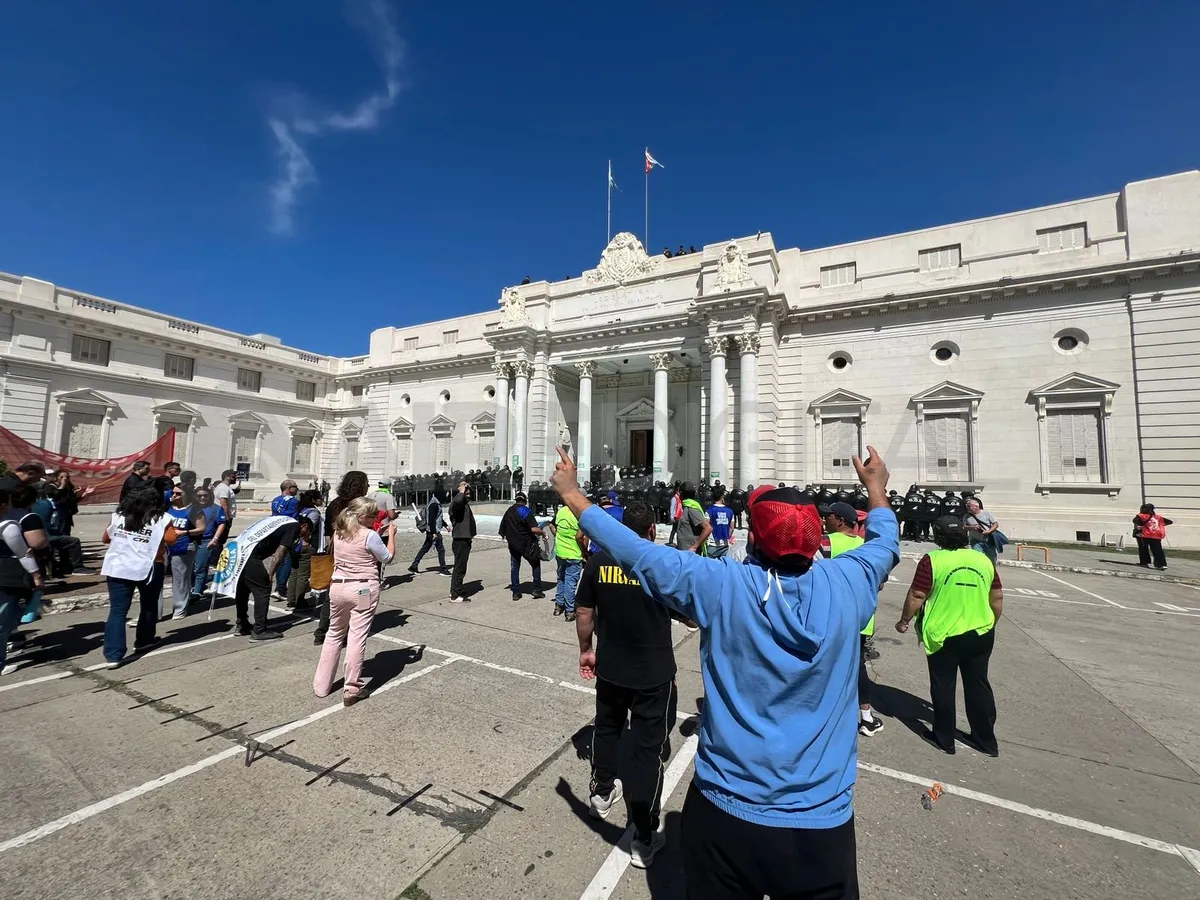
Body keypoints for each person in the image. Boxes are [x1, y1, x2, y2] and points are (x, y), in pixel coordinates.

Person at [549, 445, 898, 899]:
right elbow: (885, 541)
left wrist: (574, 495)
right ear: (818, 541)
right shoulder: (852, 581)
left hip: (727, 805)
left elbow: (636, 553)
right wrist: (876, 488)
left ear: (752, 539)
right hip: (820, 817)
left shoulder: (723, 585)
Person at [575, 500, 677, 869]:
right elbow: (692, 614)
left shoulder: (599, 562)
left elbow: (584, 610)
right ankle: (645, 836)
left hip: (613, 667)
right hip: (652, 672)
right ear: (652, 530)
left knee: (607, 728)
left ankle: (602, 792)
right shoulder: (662, 563)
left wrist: (586, 649)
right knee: (649, 750)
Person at [897, 516, 1003, 757]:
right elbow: (996, 597)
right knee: (978, 684)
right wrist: (990, 623)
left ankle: (944, 738)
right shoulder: (982, 559)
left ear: (938, 537)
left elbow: (917, 594)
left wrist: (904, 621)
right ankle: (985, 740)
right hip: (981, 632)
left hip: (944, 634)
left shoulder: (933, 560)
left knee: (943, 686)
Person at [312, 497, 396, 705]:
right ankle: (352, 688)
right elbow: (387, 558)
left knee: (334, 633)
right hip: (363, 588)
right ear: (362, 517)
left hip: (338, 586)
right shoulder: (368, 535)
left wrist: (378, 535)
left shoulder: (340, 532)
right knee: (357, 635)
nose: (376, 517)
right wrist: (391, 536)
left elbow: (357, 547)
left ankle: (321, 685)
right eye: (372, 515)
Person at [821, 501, 883, 737]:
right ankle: (866, 717)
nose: (825, 520)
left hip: (831, 614)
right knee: (857, 667)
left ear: (841, 521)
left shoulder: (826, 541)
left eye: (829, 517)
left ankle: (826, 715)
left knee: (826, 664)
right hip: (862, 617)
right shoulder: (867, 546)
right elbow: (880, 582)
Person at [101, 486, 178, 667]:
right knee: (149, 605)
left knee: (117, 611)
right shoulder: (163, 519)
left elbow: (105, 538)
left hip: (118, 566)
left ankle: (113, 655)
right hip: (149, 566)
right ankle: (144, 640)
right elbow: (172, 539)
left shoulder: (118, 516)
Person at [317, 471, 371, 644]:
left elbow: (327, 531)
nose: (368, 486)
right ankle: (357, 627)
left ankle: (322, 630)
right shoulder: (361, 506)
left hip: (337, 552)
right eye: (366, 483)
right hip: (360, 555)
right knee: (364, 589)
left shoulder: (334, 504)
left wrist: (332, 549)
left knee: (333, 593)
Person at [233, 514, 299, 642]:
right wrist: (270, 573)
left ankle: (242, 624)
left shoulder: (279, 520)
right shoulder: (294, 526)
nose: (300, 538)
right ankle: (259, 630)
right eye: (303, 534)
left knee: (243, 589)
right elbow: (281, 551)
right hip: (248, 555)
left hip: (235, 550)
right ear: (304, 526)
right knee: (263, 589)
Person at [0, 487, 43, 673]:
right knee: (2, 620)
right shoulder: (7, 526)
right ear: (3, 505)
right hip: (5, 577)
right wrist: (36, 575)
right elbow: (22, 554)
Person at [163, 484, 205, 619]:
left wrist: (184, 532)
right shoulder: (167, 507)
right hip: (164, 547)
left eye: (178, 494)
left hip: (184, 547)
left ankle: (180, 609)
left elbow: (201, 528)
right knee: (156, 579)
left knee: (180, 579)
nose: (174, 496)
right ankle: (154, 612)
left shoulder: (194, 510)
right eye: (173, 493)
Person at [499, 492, 545, 601]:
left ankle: (516, 592)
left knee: (515, 567)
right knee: (535, 564)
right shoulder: (525, 511)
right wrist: (543, 533)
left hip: (514, 545)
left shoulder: (509, 511)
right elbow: (534, 529)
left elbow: (502, 531)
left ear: (516, 500)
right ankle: (537, 590)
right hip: (527, 544)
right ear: (525, 501)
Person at [190, 486, 227, 602]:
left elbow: (222, 523)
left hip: (206, 540)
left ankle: (197, 593)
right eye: (199, 495)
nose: (202, 498)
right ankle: (195, 587)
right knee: (190, 568)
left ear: (210, 496)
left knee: (201, 568)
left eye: (205, 495)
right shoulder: (191, 508)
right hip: (190, 540)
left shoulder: (215, 509)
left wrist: (215, 539)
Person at [553, 499, 587, 621]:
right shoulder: (580, 515)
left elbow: (552, 525)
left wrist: (558, 538)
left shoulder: (561, 511)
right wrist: (585, 552)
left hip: (560, 552)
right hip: (574, 553)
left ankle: (558, 606)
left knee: (561, 579)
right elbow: (580, 537)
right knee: (570, 582)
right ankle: (569, 610)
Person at [270, 480, 301, 598]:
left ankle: (279, 587)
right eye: (295, 487)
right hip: (289, 531)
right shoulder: (294, 501)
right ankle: (281, 589)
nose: (297, 489)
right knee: (287, 560)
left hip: (277, 530)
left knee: (280, 559)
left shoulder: (275, 500)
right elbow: (296, 515)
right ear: (288, 488)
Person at [409, 489, 450, 576]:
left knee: (425, 548)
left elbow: (437, 518)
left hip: (430, 530)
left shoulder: (434, 503)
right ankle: (443, 569)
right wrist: (434, 532)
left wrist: (446, 526)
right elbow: (431, 519)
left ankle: (414, 566)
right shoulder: (434, 505)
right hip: (433, 530)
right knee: (441, 550)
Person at [448, 480, 476, 603]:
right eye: (466, 493)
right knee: (459, 568)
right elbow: (457, 500)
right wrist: (461, 491)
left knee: (461, 567)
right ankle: (455, 594)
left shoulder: (463, 504)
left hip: (465, 539)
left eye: (469, 494)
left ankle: (457, 589)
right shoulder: (457, 505)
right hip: (460, 540)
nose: (468, 496)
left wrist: (466, 489)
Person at [674, 482, 711, 553]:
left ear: (681, 493)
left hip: (691, 554)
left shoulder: (691, 509)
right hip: (684, 551)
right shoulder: (686, 506)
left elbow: (708, 528)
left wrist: (694, 547)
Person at [53, 471, 94, 535]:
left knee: (66, 533)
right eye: (62, 477)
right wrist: (62, 485)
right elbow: (56, 497)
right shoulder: (52, 487)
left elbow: (74, 500)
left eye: (67, 477)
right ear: (56, 478)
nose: (65, 478)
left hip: (67, 514)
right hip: (58, 514)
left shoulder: (69, 488)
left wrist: (85, 493)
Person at [1133, 504, 1172, 570]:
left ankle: (1144, 562)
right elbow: (1170, 522)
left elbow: (1135, 521)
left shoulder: (1141, 515)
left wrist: (1141, 526)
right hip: (1157, 535)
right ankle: (1161, 564)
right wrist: (1161, 525)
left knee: (1143, 549)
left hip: (1146, 534)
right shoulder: (1158, 517)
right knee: (1158, 550)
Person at [963, 498, 1000, 562]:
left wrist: (988, 531)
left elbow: (995, 524)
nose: (967, 508)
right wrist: (971, 527)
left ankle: (992, 570)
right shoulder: (966, 516)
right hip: (975, 541)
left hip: (988, 540)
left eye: (969, 506)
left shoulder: (986, 513)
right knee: (978, 558)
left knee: (991, 559)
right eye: (966, 506)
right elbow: (963, 527)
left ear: (976, 506)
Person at [706, 488, 734, 559]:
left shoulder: (709, 510)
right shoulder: (730, 511)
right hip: (725, 545)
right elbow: (732, 528)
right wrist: (727, 536)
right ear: (722, 498)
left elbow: (706, 526)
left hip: (712, 544)